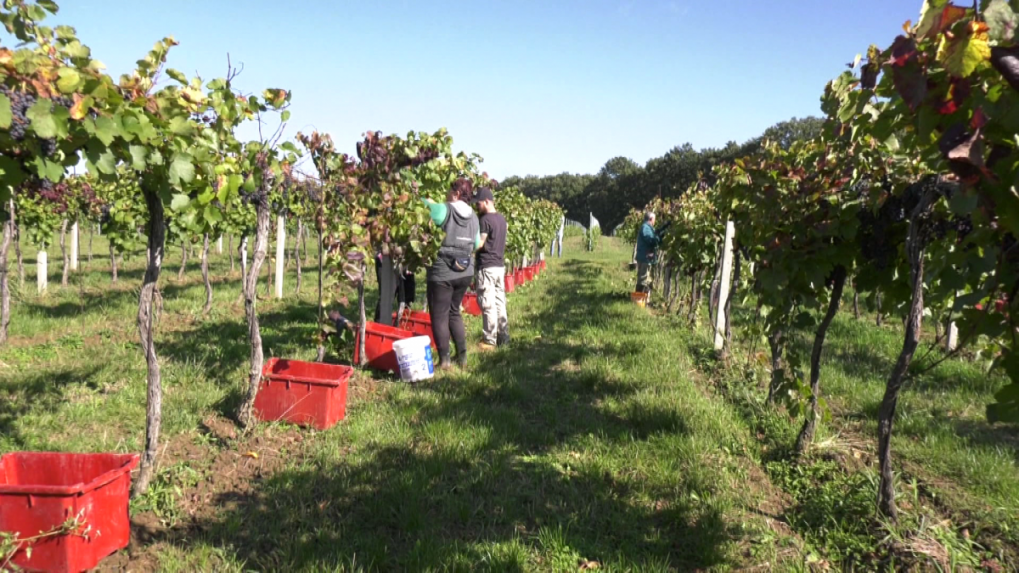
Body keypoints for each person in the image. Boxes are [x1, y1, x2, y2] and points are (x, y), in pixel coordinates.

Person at [422, 179, 481, 368]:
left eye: (449, 191)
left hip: (443, 271)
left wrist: (427, 200)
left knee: (439, 314)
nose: (447, 195)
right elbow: (476, 244)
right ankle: (462, 357)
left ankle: (445, 360)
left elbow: (420, 207)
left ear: (456, 194)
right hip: (465, 270)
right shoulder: (474, 217)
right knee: (454, 311)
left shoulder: (444, 209)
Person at [471, 187, 509, 350]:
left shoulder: (485, 220)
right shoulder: (502, 219)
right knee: (500, 302)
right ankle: (504, 336)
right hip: (500, 267)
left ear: (487, 201)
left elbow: (480, 243)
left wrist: (467, 246)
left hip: (486, 267)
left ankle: (489, 340)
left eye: (478, 203)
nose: (477, 206)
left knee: (487, 303)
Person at [373, 252, 415, 323]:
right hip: (387, 259)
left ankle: (402, 326)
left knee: (407, 296)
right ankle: (379, 328)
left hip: (406, 258)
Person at [635, 211, 669, 293]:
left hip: (646, 257)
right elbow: (651, 240)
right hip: (645, 257)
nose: (655, 221)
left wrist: (663, 228)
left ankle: (643, 298)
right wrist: (660, 237)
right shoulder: (645, 227)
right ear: (651, 219)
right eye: (654, 219)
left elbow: (654, 234)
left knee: (645, 278)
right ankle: (639, 298)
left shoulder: (648, 227)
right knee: (643, 278)